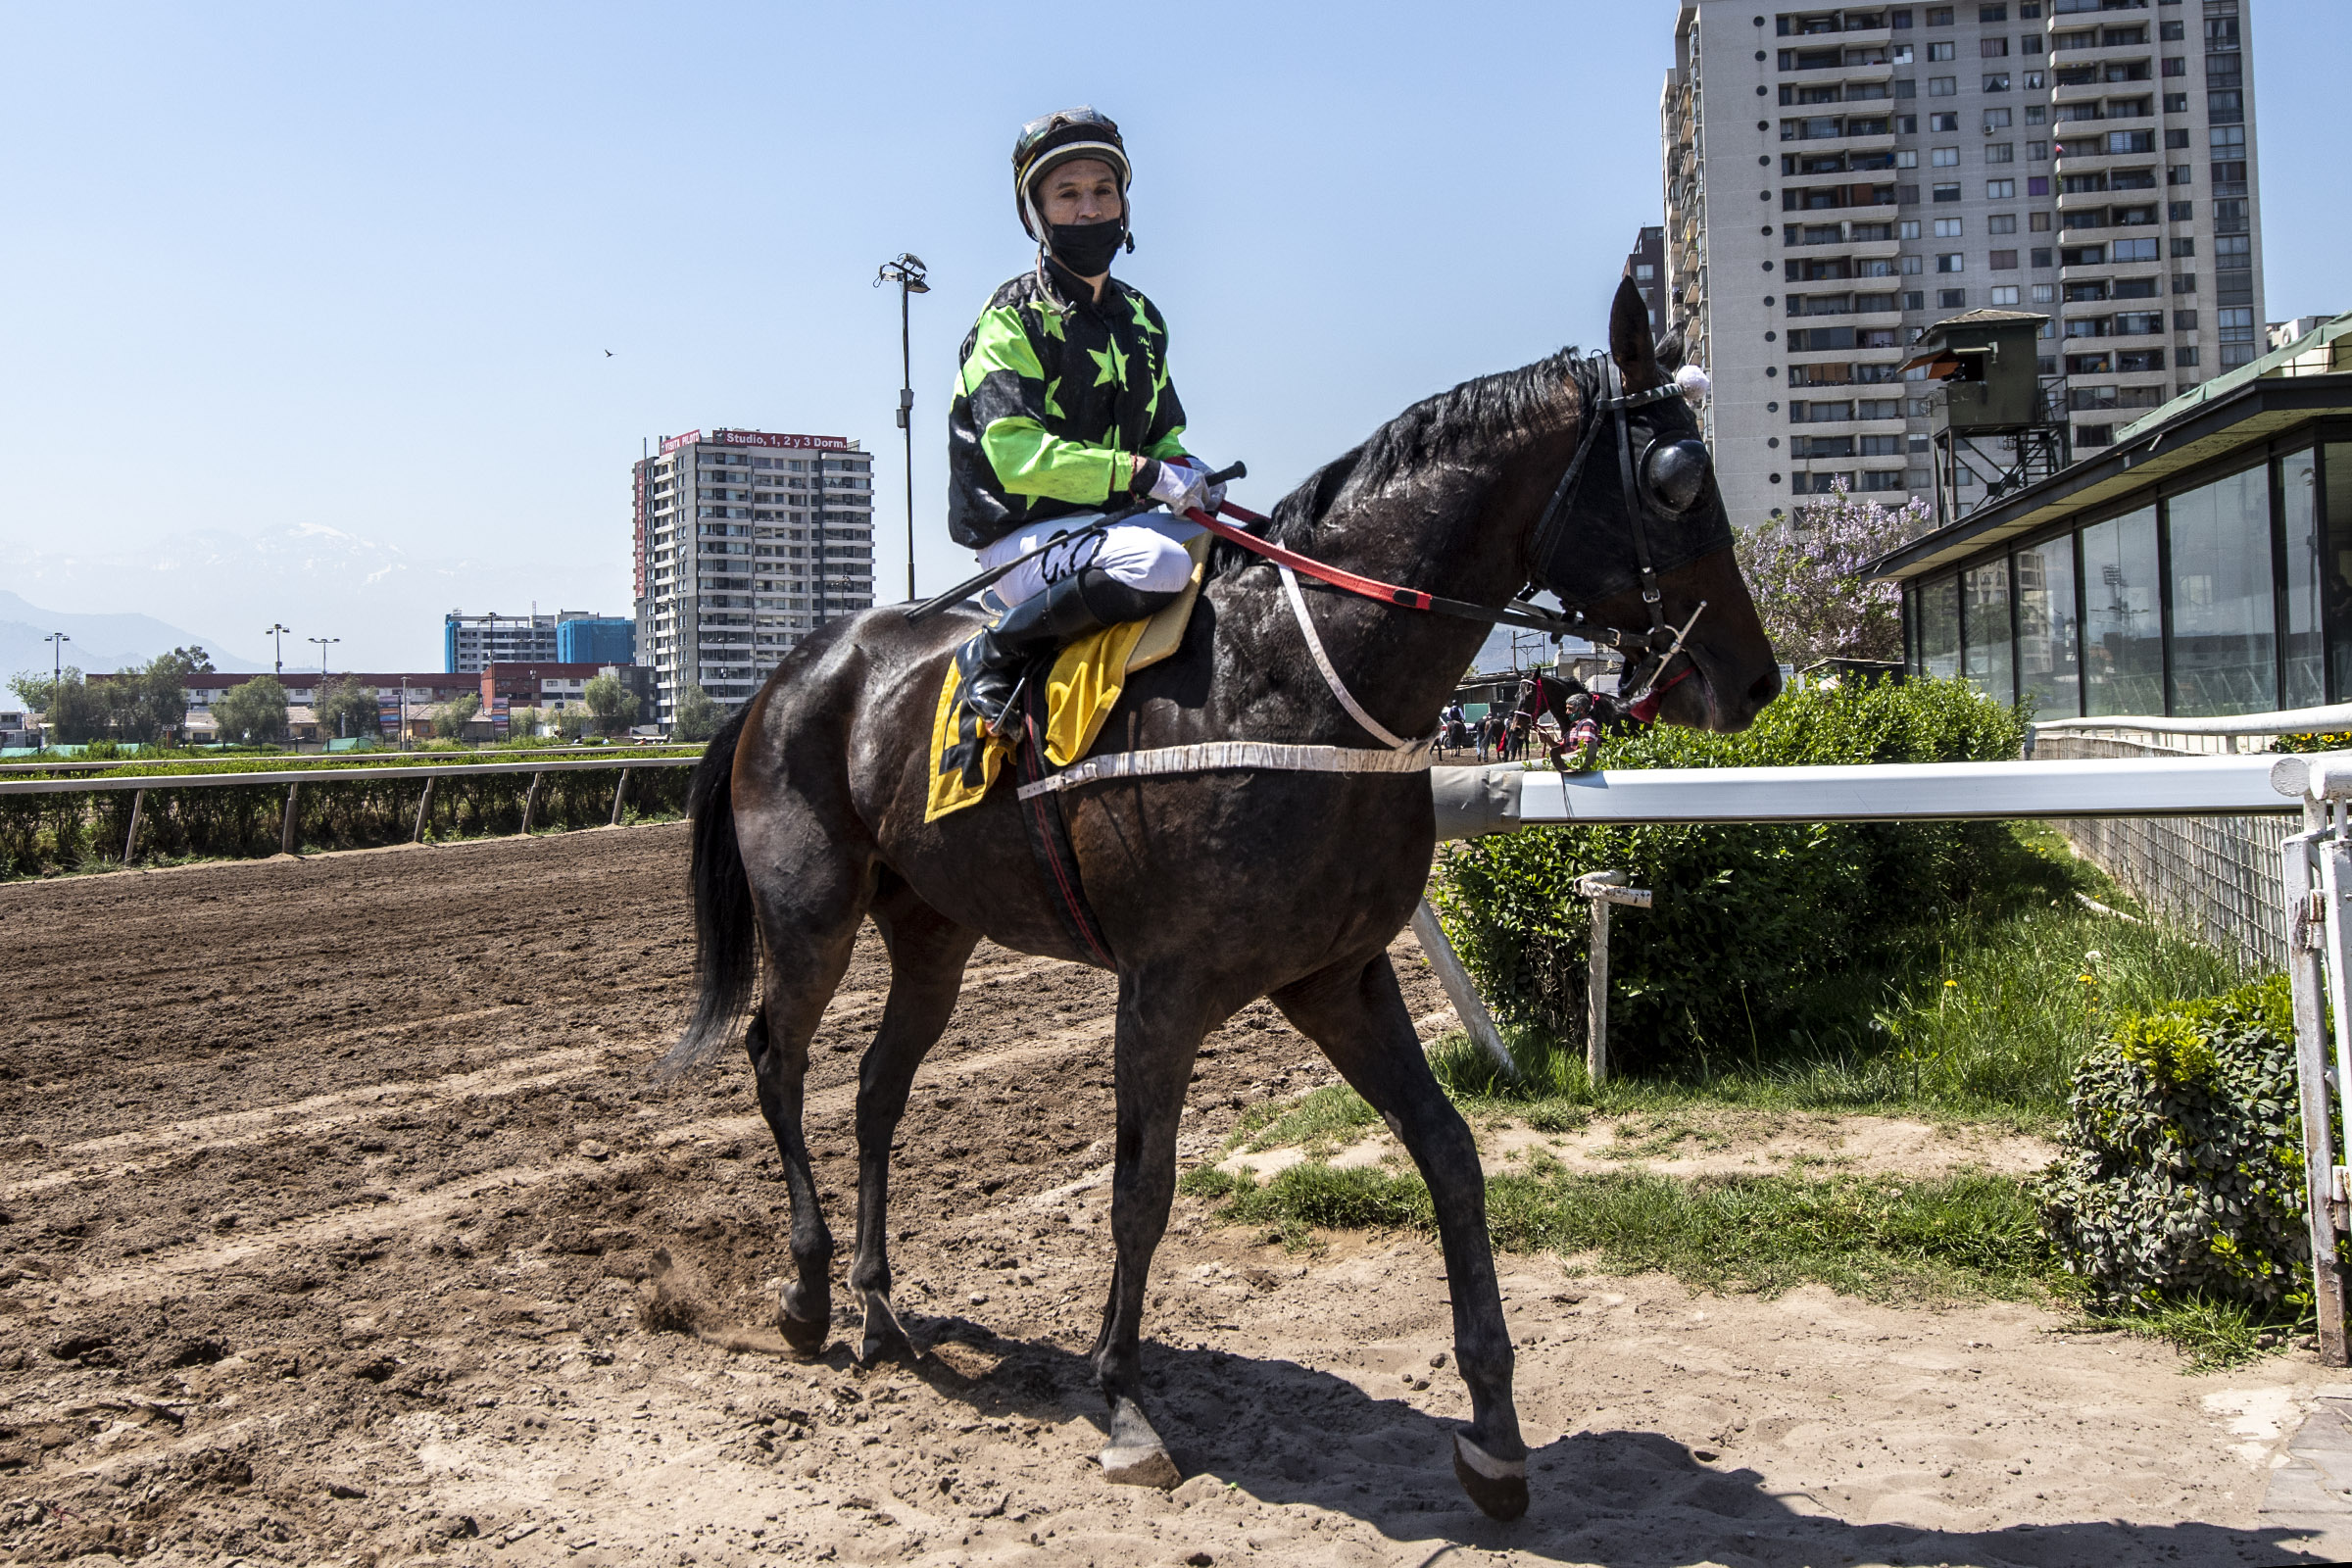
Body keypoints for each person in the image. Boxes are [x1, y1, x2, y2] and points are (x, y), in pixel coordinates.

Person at [947, 106, 1225, 729]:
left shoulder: (1143, 319)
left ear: (1125, 204)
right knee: (1158, 565)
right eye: (1068, 194)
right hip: (1021, 540)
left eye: (1104, 190)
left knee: (1239, 550)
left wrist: (1190, 471)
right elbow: (1017, 456)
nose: (1090, 209)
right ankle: (995, 650)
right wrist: (1143, 474)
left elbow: (1162, 438)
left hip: (1114, 525)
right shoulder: (1009, 319)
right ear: (1035, 215)